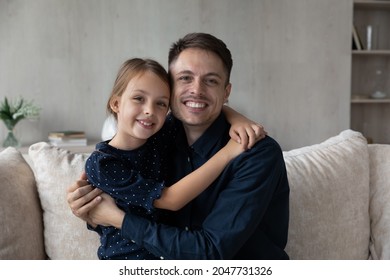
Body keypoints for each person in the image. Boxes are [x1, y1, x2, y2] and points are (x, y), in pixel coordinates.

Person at [67, 32, 290, 260]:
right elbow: (128, 202)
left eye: (211, 81)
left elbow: (209, 253)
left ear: (226, 92)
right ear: (170, 87)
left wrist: (117, 218)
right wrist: (90, 209)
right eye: (185, 78)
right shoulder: (155, 136)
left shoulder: (255, 153)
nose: (197, 90)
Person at [84, 58, 257, 259]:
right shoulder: (102, 163)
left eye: (161, 103)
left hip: (168, 253)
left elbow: (203, 108)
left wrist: (239, 119)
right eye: (139, 98)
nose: (149, 110)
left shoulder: (161, 136)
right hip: (126, 258)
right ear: (116, 103)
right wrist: (228, 153)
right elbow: (170, 200)